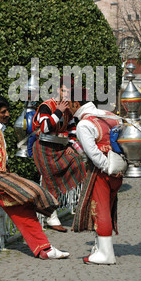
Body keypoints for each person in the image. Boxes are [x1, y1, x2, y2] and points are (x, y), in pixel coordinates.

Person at [0, 93, 70, 260]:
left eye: (7, 111)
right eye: (3, 112)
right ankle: (49, 213)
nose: (7, 114)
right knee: (32, 190)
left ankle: (44, 249)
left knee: (24, 209)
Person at [68, 88, 126, 265]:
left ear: (75, 104)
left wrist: (106, 167)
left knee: (100, 210)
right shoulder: (110, 115)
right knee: (107, 208)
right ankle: (100, 247)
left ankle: (106, 253)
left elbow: (92, 153)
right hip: (119, 169)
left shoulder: (85, 124)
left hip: (102, 172)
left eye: (69, 105)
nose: (67, 109)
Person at [31, 77, 87, 232]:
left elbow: (71, 128)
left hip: (60, 149)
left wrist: (71, 145)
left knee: (77, 162)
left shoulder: (68, 108)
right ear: (58, 90)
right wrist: (58, 111)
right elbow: (44, 127)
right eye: (63, 90)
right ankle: (52, 217)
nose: (66, 94)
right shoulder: (47, 106)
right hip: (44, 148)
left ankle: (84, 203)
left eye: (69, 91)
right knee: (49, 181)